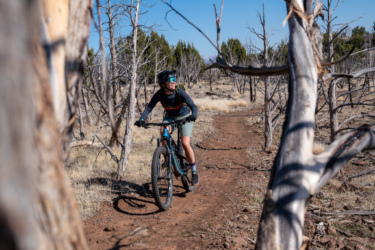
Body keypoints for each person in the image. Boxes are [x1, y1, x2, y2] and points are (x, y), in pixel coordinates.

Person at [136, 70, 199, 186]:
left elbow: (193, 105)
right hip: (170, 118)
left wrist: (194, 114)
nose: (174, 82)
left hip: (185, 117)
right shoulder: (159, 95)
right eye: (171, 80)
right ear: (163, 84)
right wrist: (142, 119)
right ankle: (167, 157)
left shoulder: (179, 92)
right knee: (163, 131)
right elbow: (149, 107)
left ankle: (194, 171)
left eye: (174, 78)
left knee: (185, 143)